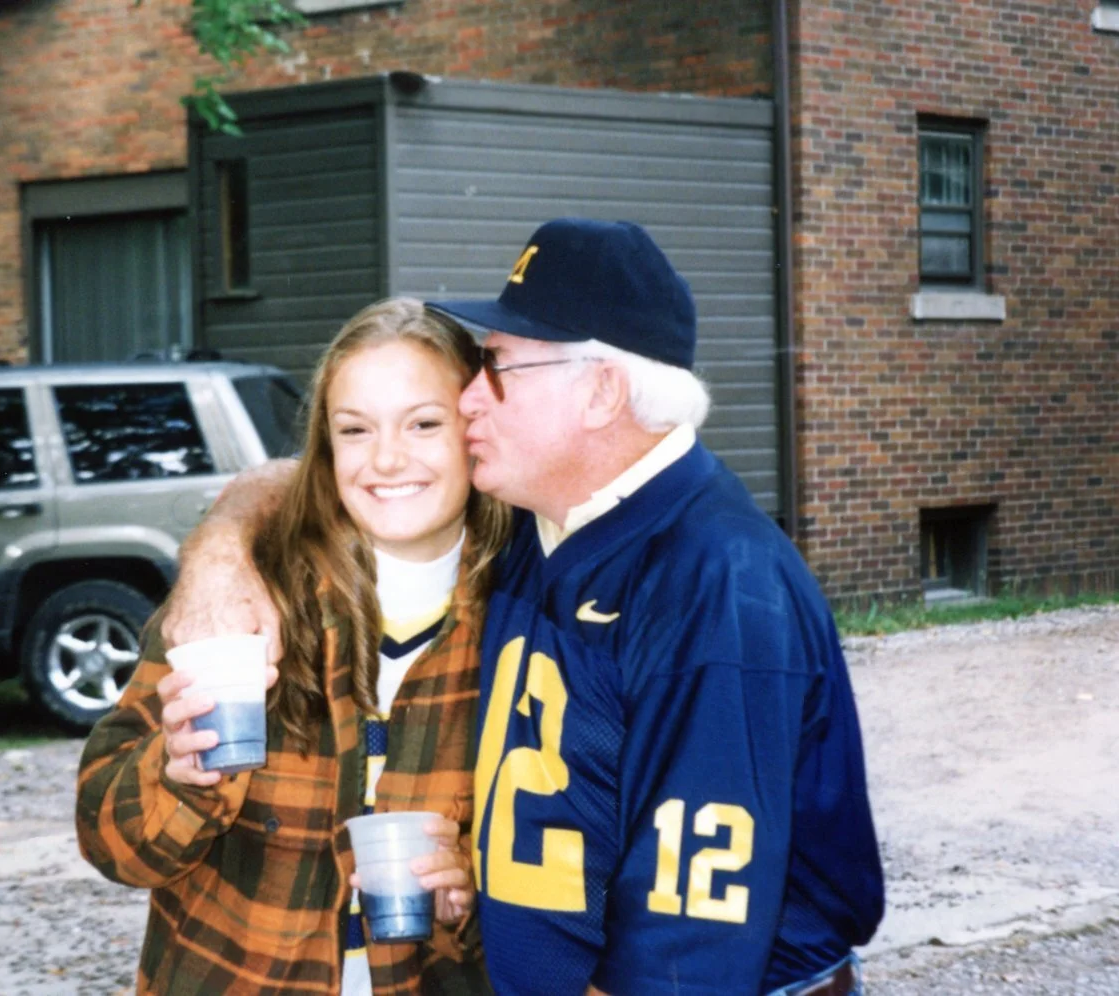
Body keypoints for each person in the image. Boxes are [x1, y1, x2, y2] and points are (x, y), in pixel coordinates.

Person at [163, 219, 885, 995]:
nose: (470, 396)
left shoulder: (717, 580)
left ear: (601, 391)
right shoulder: (550, 523)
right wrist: (221, 548)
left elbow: (689, 941)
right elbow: (325, 475)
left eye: (499, 365)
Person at [76, 297, 509, 995]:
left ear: (474, 427)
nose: (387, 459)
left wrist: (467, 897)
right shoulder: (241, 599)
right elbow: (110, 847)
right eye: (355, 430)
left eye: (424, 424)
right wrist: (176, 776)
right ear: (326, 447)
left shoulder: (525, 617)